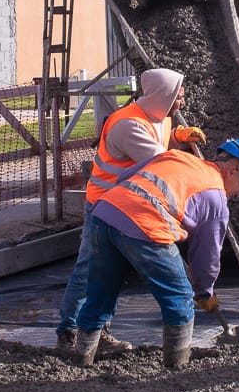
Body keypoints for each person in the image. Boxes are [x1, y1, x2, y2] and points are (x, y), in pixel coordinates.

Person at [71, 139, 239, 370]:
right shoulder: (215, 196)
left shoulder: (177, 157)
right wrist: (204, 290)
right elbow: (207, 254)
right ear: (234, 170)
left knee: (99, 294)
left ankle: (81, 359)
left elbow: (125, 178)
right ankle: (176, 368)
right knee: (180, 299)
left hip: (105, 215)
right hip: (146, 226)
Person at [55, 68, 205, 353]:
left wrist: (180, 136)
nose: (183, 103)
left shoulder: (158, 115)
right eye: (180, 97)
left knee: (110, 271)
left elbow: (163, 140)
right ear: (164, 95)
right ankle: (70, 332)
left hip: (125, 205)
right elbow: (161, 163)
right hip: (103, 204)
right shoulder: (127, 124)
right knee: (90, 270)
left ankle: (97, 334)